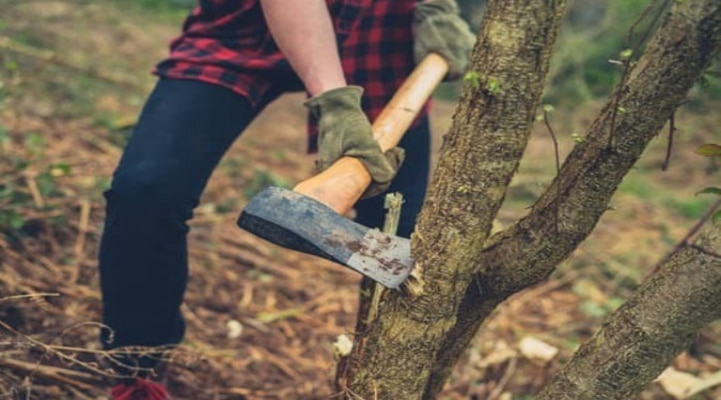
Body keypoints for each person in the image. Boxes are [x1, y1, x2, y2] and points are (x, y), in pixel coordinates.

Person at [98, 0, 474, 398]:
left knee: (396, 231)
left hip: (379, 25)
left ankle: (384, 384)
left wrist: (435, 6)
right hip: (246, 23)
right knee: (146, 191)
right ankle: (138, 366)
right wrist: (335, 102)